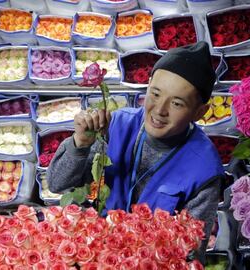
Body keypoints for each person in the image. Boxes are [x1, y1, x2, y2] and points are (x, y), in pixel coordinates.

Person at [47, 41, 225, 261]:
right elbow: (57, 184)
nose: (160, 111)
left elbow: (190, 253)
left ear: (200, 112)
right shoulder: (118, 125)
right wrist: (80, 144)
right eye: (155, 94)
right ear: (148, 85)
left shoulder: (204, 168)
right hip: (98, 254)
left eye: (177, 104)